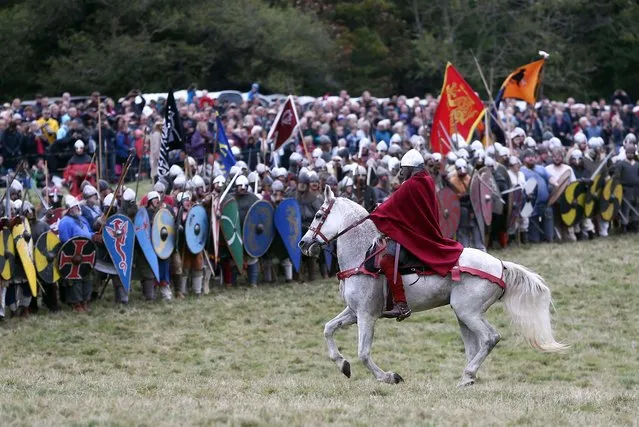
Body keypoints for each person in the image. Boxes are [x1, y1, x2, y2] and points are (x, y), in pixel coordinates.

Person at [369, 149, 464, 320]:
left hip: (414, 236)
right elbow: (402, 204)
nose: (401, 173)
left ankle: (401, 304)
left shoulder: (412, 184)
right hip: (417, 230)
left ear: (410, 168)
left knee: (387, 260)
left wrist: (376, 212)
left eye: (403, 169)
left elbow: (393, 203)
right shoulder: (426, 180)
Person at [58, 195, 98, 313]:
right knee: (75, 280)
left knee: (88, 277)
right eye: (75, 207)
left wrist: (94, 235)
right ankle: (77, 303)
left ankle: (85, 300)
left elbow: (86, 233)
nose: (77, 208)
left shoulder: (81, 220)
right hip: (73, 256)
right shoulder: (65, 222)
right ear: (69, 209)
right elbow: (65, 241)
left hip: (86, 253)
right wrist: (73, 254)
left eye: (77, 206)